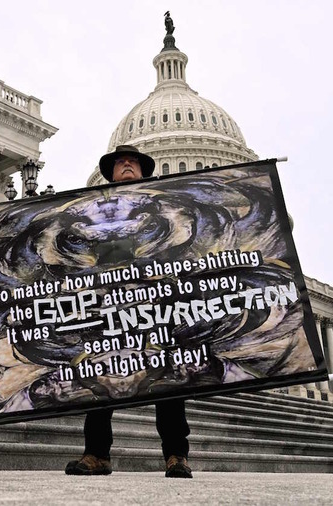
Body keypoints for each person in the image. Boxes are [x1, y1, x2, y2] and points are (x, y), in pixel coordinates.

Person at [65, 145, 193, 479]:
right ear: (109, 173)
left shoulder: (161, 205)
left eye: (132, 162)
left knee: (167, 379)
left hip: (154, 300)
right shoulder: (90, 211)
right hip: (107, 302)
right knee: (101, 376)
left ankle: (176, 455)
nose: (126, 164)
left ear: (142, 171)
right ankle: (96, 454)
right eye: (120, 162)